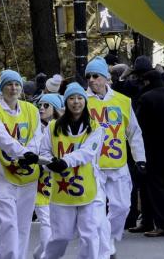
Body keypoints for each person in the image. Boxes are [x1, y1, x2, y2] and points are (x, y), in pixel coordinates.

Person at [0, 70, 42, 259]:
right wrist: (24, 153)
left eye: (17, 84)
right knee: (8, 223)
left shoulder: (32, 110)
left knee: (22, 224)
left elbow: (38, 137)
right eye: (9, 85)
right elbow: (1, 138)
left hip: (27, 175)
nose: (13, 88)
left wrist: (31, 153)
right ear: (2, 87)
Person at [83, 57, 145, 254]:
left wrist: (140, 158)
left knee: (122, 207)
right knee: (97, 210)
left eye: (95, 76)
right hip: (93, 167)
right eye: (88, 77)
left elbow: (134, 132)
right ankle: (105, 247)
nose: (91, 80)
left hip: (118, 164)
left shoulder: (122, 101)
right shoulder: (81, 102)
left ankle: (108, 237)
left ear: (105, 78)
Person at [38, 84, 104, 259]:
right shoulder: (53, 127)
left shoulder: (95, 127)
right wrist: (48, 163)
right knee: (61, 236)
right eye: (72, 98)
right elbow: (44, 151)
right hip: (62, 190)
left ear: (85, 101)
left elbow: (88, 152)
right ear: (66, 102)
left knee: (90, 235)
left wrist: (64, 161)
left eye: (80, 98)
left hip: (88, 188)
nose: (76, 102)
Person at [135, 68, 164, 237]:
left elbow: (137, 125)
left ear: (147, 82)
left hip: (151, 150)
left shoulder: (146, 98)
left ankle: (161, 224)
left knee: (153, 188)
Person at [33, 95, 63, 259]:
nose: (41, 108)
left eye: (46, 105)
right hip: (38, 182)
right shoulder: (34, 127)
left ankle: (39, 253)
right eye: (39, 105)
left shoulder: (63, 129)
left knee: (56, 224)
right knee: (46, 220)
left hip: (59, 182)